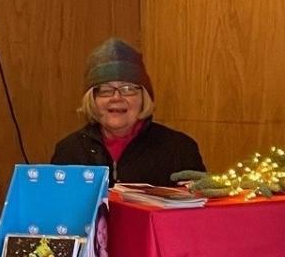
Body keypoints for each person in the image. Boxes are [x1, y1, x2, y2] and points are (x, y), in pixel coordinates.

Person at [49, 37, 204, 185]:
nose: (116, 97)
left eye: (128, 89)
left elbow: (200, 209)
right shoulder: (69, 151)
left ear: (144, 96)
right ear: (92, 99)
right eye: (105, 90)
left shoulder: (180, 150)